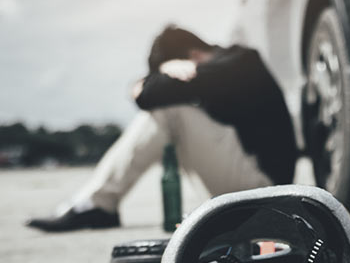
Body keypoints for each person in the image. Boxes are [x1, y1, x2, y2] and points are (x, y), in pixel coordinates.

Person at [27, 26, 298, 232]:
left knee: (170, 111)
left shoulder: (241, 62)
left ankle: (98, 204)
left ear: (192, 56)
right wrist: (156, 77)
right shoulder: (218, 70)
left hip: (261, 189)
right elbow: (149, 92)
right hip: (242, 182)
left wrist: (156, 78)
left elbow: (149, 95)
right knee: (169, 111)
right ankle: (95, 203)